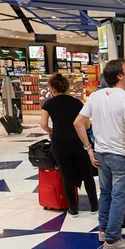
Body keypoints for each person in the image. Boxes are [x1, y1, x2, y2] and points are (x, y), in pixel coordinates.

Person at [74, 59, 125, 249]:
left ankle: (103, 230)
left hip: (101, 154)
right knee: (119, 197)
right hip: (121, 155)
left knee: (106, 193)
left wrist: (89, 149)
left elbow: (78, 123)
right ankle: (113, 239)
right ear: (119, 76)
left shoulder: (95, 96)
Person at [40, 74, 98, 218]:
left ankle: (73, 208)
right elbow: (87, 124)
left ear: (52, 88)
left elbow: (43, 124)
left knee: (66, 175)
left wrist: (50, 131)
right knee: (87, 174)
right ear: (67, 87)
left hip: (59, 142)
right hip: (78, 141)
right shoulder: (77, 103)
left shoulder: (48, 104)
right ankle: (94, 206)